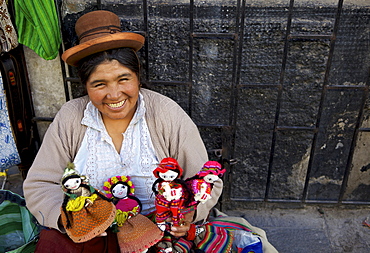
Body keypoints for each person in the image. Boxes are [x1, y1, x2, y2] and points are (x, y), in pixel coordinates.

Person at [23, 10, 277, 253]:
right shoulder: (71, 117)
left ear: (138, 77)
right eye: (99, 84)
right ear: (86, 86)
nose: (114, 95)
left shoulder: (165, 113)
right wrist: (73, 221)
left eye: (124, 79)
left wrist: (188, 212)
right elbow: (40, 185)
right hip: (89, 236)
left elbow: (206, 178)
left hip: (162, 231)